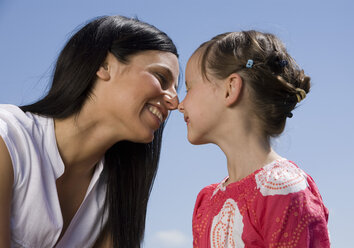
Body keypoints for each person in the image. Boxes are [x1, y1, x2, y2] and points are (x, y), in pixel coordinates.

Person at [0, 15, 179, 248]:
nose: (174, 102)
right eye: (161, 77)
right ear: (103, 66)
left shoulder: (118, 190)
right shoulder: (8, 139)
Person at [178, 30, 330, 247]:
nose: (179, 104)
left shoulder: (283, 189)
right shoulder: (206, 201)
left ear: (230, 88)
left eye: (189, 88)